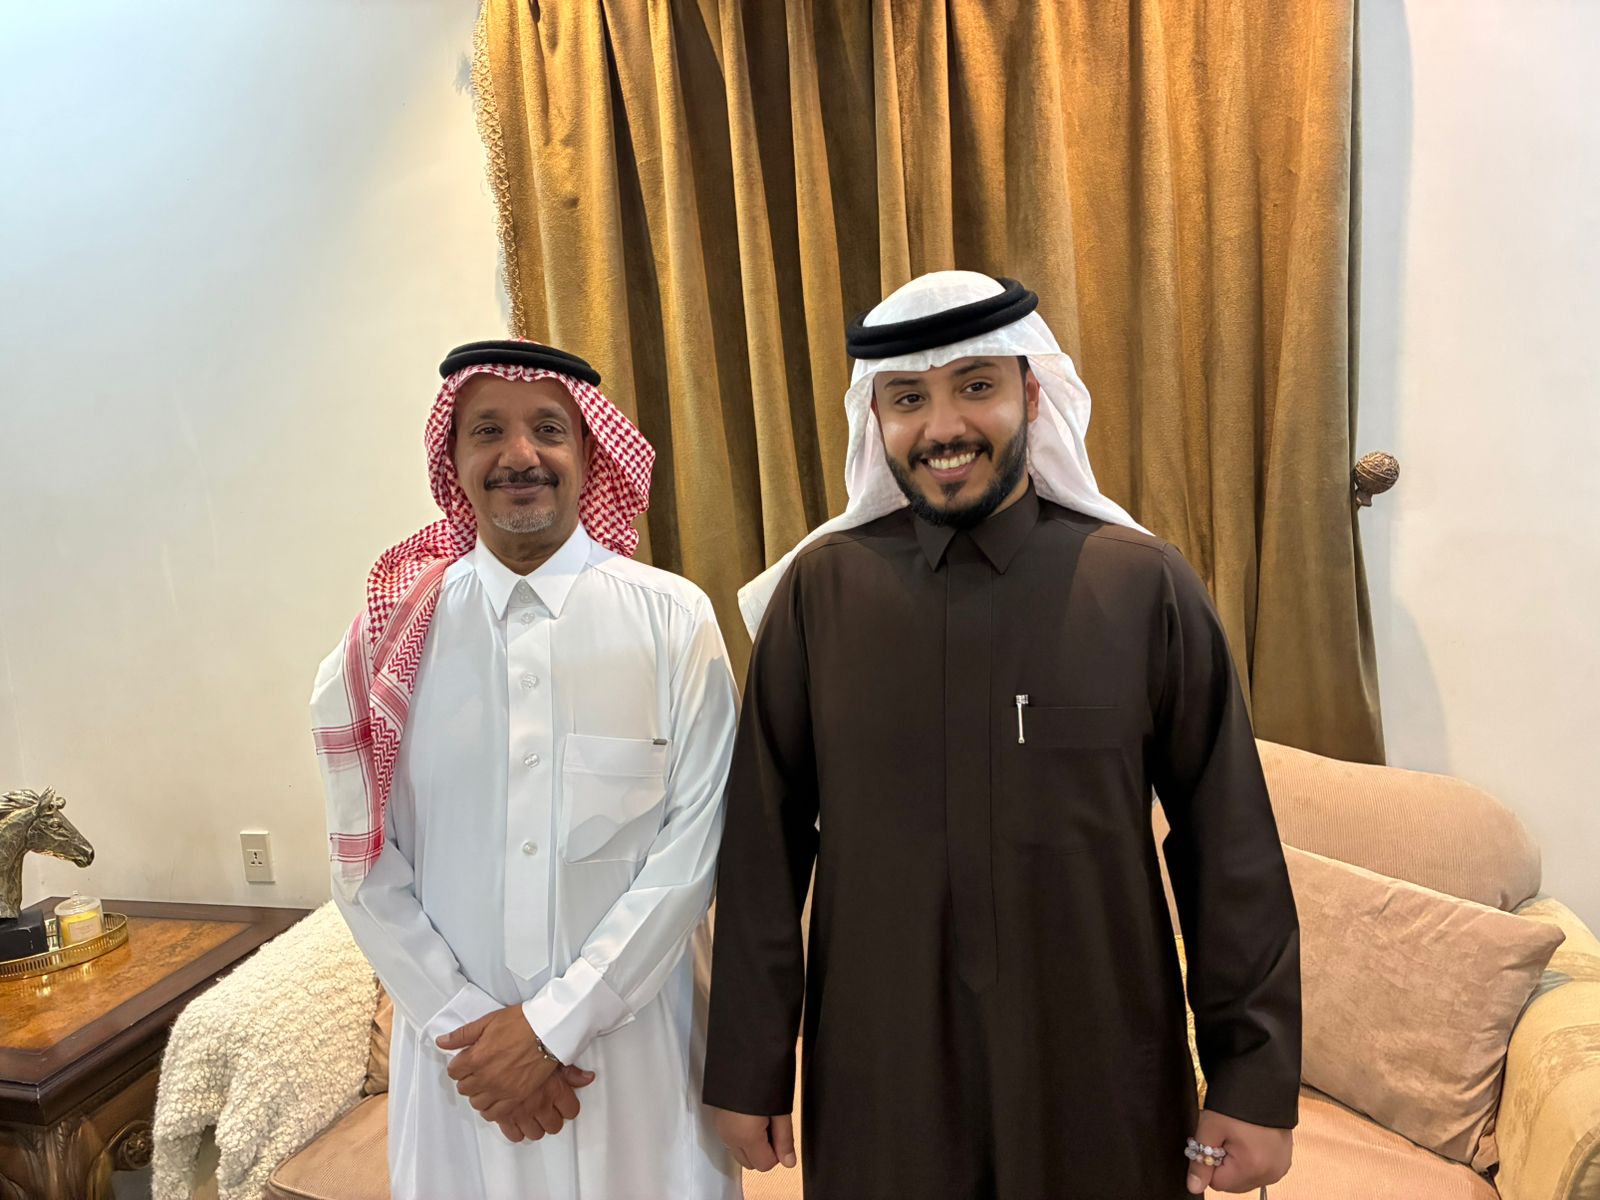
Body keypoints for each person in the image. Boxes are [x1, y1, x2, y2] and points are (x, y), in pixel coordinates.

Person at [703, 272, 1300, 1198]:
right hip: (881, 1071)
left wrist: (1252, 1076)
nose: (943, 426)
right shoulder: (819, 596)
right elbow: (762, 851)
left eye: (975, 386)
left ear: (1033, 391)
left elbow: (1229, 846)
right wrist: (750, 1064)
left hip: (1100, 1065)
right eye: (909, 398)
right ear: (876, 418)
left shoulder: (1142, 585)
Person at [312, 339, 740, 1199]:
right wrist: (474, 1034)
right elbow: (362, 866)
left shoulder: (672, 620)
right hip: (462, 1071)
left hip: (635, 1059)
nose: (520, 455)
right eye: (487, 431)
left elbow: (695, 852)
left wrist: (552, 1029)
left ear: (588, 453)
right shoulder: (386, 642)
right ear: (453, 459)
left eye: (548, 429)